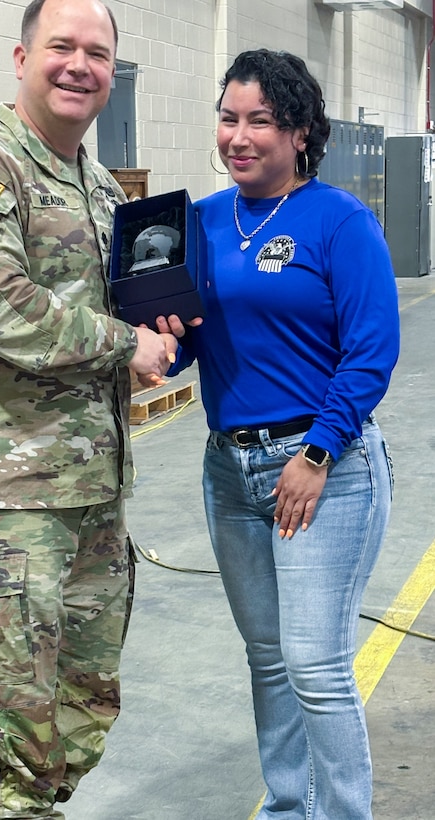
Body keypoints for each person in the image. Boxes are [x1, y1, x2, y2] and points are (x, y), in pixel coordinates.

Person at [0, 1, 177, 817]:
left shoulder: (95, 185)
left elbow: (101, 318)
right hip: (3, 504)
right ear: (22, 55)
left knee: (81, 712)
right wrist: (119, 344)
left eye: (97, 53)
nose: (79, 65)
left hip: (89, 491)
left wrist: (153, 334)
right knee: (11, 742)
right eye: (62, 47)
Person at [158, 49, 399, 818]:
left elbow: (370, 351)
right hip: (228, 473)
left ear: (299, 132)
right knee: (268, 660)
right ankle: (287, 807)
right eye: (228, 118)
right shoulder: (199, 220)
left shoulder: (338, 220)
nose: (238, 136)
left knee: (315, 663)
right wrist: (160, 347)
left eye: (259, 120)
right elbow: (198, 339)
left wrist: (317, 451)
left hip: (322, 468)